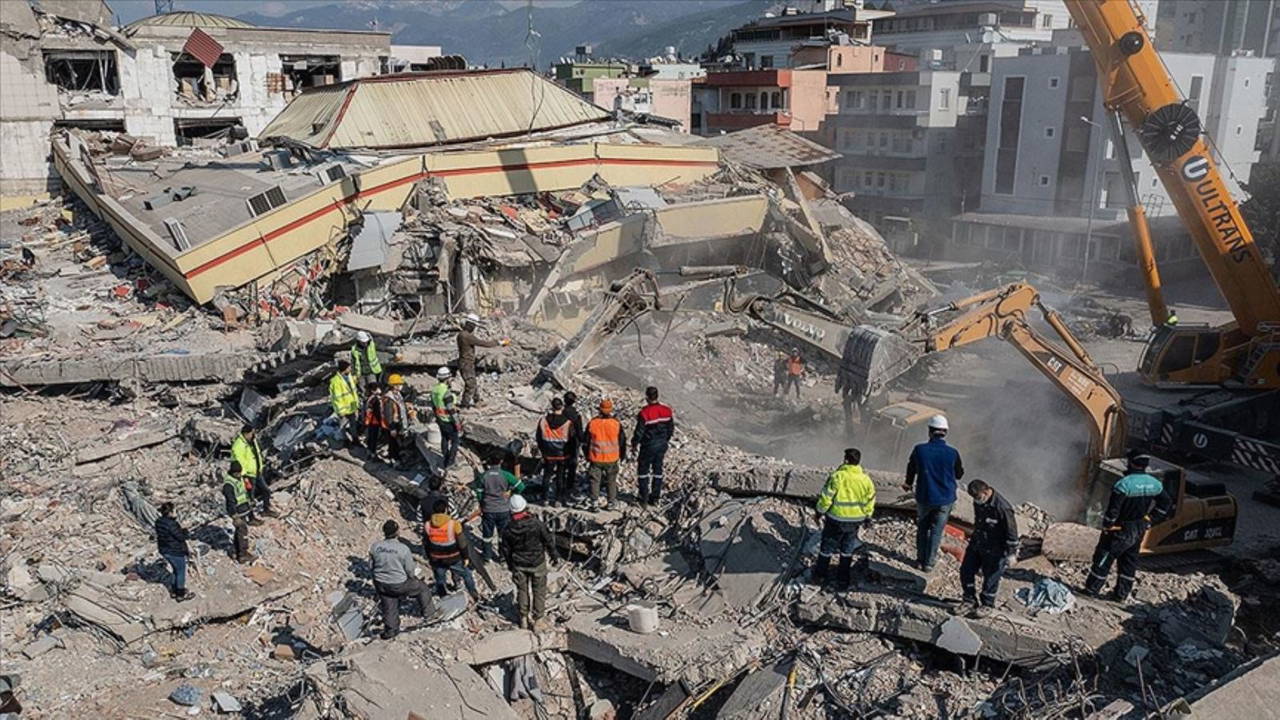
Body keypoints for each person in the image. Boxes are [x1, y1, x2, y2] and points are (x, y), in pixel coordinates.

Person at [1082, 455, 1172, 603]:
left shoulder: (1123, 484)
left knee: (1104, 557)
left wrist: (1107, 525)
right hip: (1139, 528)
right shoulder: (1154, 483)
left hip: (1120, 528)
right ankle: (1121, 595)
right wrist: (1150, 519)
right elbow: (1166, 503)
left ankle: (1091, 590)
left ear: (1131, 463)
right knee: (1129, 561)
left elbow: (1113, 510)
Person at [903, 414, 964, 571]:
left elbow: (911, 469)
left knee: (923, 528)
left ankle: (919, 560)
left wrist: (908, 484)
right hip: (945, 499)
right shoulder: (953, 453)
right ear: (945, 433)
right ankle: (929, 564)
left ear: (929, 431)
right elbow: (959, 474)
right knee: (936, 531)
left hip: (925, 497)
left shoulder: (919, 450)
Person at [814, 448, 875, 590]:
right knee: (847, 549)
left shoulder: (837, 476)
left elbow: (826, 498)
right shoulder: (866, 479)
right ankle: (843, 580)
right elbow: (870, 500)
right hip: (855, 521)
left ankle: (820, 575)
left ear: (846, 460)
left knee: (827, 547)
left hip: (836, 518)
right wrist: (868, 517)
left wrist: (819, 512)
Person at [956, 479, 1019, 618]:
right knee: (966, 570)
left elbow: (1012, 532)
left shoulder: (1003, 508)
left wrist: (1011, 553)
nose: (976, 501)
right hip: (978, 543)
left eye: (978, 497)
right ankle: (969, 600)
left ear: (986, 492)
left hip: (996, 549)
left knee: (991, 578)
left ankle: (987, 604)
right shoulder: (979, 501)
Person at [369, 519, 437, 639]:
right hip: (398, 583)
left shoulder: (375, 547)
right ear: (397, 532)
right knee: (422, 588)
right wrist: (413, 578)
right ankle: (430, 614)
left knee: (389, 602)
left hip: (380, 583)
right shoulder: (403, 549)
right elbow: (410, 570)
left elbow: (371, 566)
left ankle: (391, 630)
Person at [501, 495, 559, 630]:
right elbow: (548, 539)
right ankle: (538, 619)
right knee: (539, 591)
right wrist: (554, 555)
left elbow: (505, 549)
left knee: (522, 590)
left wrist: (511, 565)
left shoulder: (508, 528)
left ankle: (523, 618)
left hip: (519, 564)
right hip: (537, 562)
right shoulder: (536, 524)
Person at [425, 499, 479, 600]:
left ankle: (443, 596)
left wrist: (430, 557)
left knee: (440, 579)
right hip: (453, 557)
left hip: (437, 559)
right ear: (446, 510)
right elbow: (462, 543)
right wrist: (466, 557)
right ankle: (474, 594)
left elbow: (426, 543)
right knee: (467, 574)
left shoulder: (428, 525)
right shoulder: (454, 524)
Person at [476, 454, 525, 560]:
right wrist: (511, 492)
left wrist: (482, 503)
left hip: (488, 509)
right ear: (501, 462)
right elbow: (521, 487)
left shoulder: (484, 475)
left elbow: (479, 493)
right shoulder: (506, 475)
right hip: (503, 509)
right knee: (503, 535)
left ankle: (486, 556)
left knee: (487, 535)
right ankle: (502, 557)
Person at [632, 386, 675, 506]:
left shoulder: (645, 413)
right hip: (662, 445)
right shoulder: (667, 410)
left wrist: (634, 444)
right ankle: (655, 497)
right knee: (658, 470)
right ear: (657, 396)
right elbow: (671, 428)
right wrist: (665, 440)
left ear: (646, 397)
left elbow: (639, 432)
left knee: (643, 470)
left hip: (648, 445)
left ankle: (643, 496)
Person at [456, 313, 509, 408]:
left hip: (468, 363)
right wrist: (499, 342)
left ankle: (477, 401)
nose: (475, 328)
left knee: (473, 382)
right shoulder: (466, 336)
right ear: (470, 325)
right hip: (466, 364)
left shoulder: (463, 334)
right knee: (471, 385)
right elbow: (484, 343)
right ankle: (464, 405)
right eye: (474, 326)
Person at [585, 398, 627, 509]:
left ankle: (594, 502)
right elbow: (622, 441)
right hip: (612, 458)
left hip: (596, 457)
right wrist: (622, 455)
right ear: (611, 410)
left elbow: (586, 441)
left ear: (600, 409)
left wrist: (587, 455)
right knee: (611, 480)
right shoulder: (616, 424)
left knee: (595, 480)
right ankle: (611, 502)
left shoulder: (592, 423)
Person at [536, 397, 576, 506]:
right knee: (560, 476)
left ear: (552, 406)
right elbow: (572, 439)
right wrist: (572, 454)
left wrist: (543, 451)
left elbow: (538, 437)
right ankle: (558, 499)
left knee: (547, 476)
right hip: (562, 454)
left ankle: (545, 499)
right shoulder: (567, 423)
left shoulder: (543, 420)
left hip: (548, 454)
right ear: (561, 407)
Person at [231, 425, 275, 518]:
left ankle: (266, 509)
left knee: (266, 491)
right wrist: (243, 476)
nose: (253, 435)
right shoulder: (239, 445)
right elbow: (239, 461)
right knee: (250, 497)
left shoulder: (252, 441)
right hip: (248, 475)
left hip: (257, 472)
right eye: (251, 433)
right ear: (246, 434)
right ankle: (251, 518)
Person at [155, 502, 193, 602]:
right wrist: (185, 532)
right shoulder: (172, 524)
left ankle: (173, 590)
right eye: (175, 510)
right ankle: (180, 594)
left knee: (175, 570)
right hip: (175, 551)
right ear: (170, 512)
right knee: (180, 571)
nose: (176, 512)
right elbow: (180, 537)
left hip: (165, 550)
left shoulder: (159, 522)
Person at [223, 460, 255, 564]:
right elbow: (230, 501)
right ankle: (243, 554)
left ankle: (236, 551)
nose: (239, 474)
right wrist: (234, 516)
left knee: (238, 531)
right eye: (237, 473)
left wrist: (250, 498)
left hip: (243, 508)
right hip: (237, 511)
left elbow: (244, 492)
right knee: (242, 532)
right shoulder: (229, 485)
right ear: (233, 472)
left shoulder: (239, 478)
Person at [431, 367, 462, 469]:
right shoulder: (446, 392)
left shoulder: (435, 389)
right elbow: (451, 409)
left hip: (440, 419)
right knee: (455, 441)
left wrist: (437, 417)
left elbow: (434, 406)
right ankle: (451, 462)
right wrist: (457, 423)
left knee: (444, 438)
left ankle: (445, 459)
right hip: (448, 420)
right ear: (447, 378)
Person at [329, 358, 361, 444]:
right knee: (342, 426)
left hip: (352, 406)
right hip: (343, 409)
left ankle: (355, 439)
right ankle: (345, 441)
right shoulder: (335, 382)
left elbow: (353, 390)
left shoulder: (349, 376)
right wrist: (340, 411)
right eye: (349, 368)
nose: (350, 369)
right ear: (344, 369)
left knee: (353, 425)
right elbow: (337, 398)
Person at [561, 392, 585, 497]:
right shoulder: (576, 415)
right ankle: (569, 486)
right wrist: (583, 441)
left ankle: (560, 484)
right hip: (573, 442)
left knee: (562, 465)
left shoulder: (561, 413)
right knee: (572, 464)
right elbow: (579, 431)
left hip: (561, 442)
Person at [382, 374, 410, 465]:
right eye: (399, 384)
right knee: (393, 443)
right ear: (394, 385)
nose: (401, 386)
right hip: (393, 425)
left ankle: (397, 457)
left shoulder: (398, 395)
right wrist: (392, 428)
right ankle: (394, 459)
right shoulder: (389, 399)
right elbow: (388, 415)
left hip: (399, 423)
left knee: (397, 442)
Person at [364, 382, 386, 458]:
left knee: (370, 436)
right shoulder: (375, 399)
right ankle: (373, 454)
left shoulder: (368, 398)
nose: (380, 390)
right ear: (374, 390)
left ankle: (369, 451)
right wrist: (381, 422)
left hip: (369, 421)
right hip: (374, 421)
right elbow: (378, 412)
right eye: (377, 388)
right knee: (374, 437)